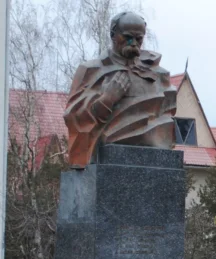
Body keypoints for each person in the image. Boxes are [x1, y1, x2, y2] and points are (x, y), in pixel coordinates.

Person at [63, 11, 176, 169]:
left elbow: (166, 115)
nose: (133, 43)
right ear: (113, 35)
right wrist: (107, 99)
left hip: (154, 155)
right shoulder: (91, 70)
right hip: (105, 155)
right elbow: (73, 118)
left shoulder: (159, 76)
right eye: (128, 37)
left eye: (139, 39)